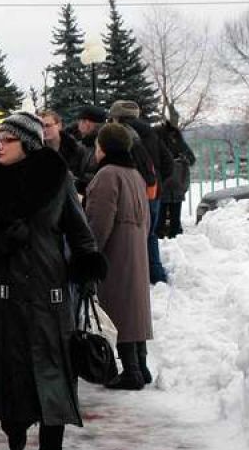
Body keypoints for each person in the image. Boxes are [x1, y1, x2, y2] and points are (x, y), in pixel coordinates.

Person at [0, 112, 105, 450]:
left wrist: (88, 266)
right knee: (11, 366)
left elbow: (78, 229)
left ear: (27, 144)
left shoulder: (55, 177)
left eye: (7, 139)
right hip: (3, 291)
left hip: (50, 289)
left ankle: (52, 449)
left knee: (53, 368)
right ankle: (14, 423)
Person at [84, 123, 153, 390]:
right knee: (135, 306)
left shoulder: (107, 175)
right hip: (135, 246)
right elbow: (146, 219)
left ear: (104, 147)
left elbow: (99, 220)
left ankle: (132, 370)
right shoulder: (134, 174)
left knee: (120, 306)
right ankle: (141, 364)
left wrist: (90, 251)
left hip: (116, 249)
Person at [108, 100, 172, 284]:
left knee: (134, 237)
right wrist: (158, 182)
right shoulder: (152, 133)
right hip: (154, 194)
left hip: (134, 194)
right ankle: (156, 274)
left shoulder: (123, 135)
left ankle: (138, 277)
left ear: (117, 117)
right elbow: (168, 163)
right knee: (150, 235)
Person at [155, 118, 196, 238]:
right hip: (176, 184)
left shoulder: (159, 140)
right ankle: (174, 238)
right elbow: (191, 159)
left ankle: (164, 239)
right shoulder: (177, 139)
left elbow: (191, 159)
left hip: (166, 185)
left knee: (160, 220)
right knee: (174, 219)